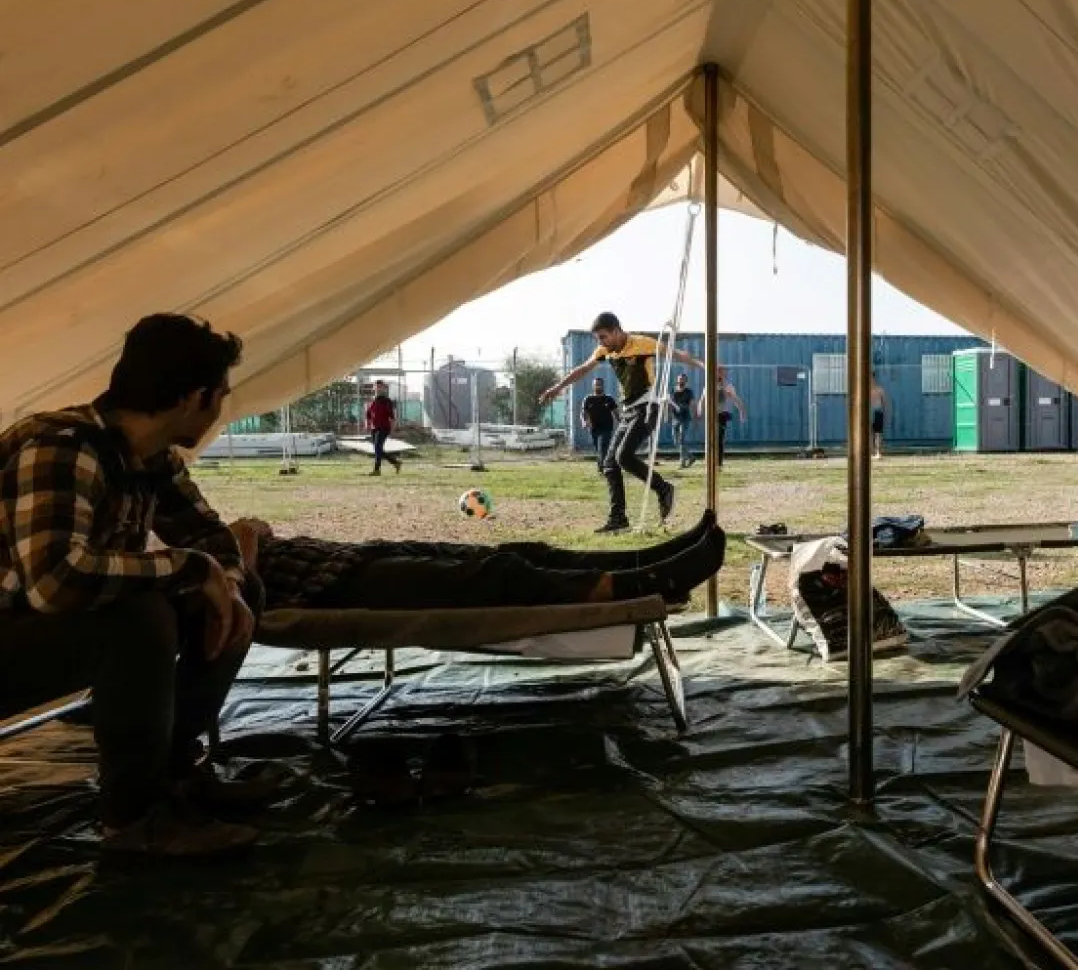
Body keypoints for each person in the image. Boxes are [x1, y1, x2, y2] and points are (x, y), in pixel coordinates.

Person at [0, 315, 273, 858]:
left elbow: (205, 533)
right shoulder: (60, 446)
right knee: (139, 616)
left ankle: (173, 777)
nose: (219, 407)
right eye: (220, 395)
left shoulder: (151, 458)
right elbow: (55, 581)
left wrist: (230, 583)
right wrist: (194, 569)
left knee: (236, 594)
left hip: (34, 627)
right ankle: (133, 821)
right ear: (196, 397)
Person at [230, 510, 725, 612]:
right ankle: (648, 584)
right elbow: (241, 550)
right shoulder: (169, 550)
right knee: (497, 575)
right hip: (333, 585)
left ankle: (649, 559)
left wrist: (247, 534)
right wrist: (244, 537)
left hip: (359, 556)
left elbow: (252, 528)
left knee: (518, 554)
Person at [540, 312, 704, 533]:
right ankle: (618, 519)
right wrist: (558, 387)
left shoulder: (642, 343)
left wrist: (704, 366)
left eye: (604, 337)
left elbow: (677, 354)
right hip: (628, 412)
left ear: (617, 331)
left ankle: (663, 488)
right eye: (598, 338)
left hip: (647, 408)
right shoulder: (605, 351)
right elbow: (583, 369)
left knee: (623, 457)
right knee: (610, 464)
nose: (601, 343)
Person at [697, 367, 748, 468]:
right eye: (717, 373)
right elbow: (702, 400)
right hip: (710, 415)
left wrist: (742, 411)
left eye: (721, 373)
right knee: (710, 439)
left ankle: (718, 464)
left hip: (721, 415)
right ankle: (710, 461)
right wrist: (700, 410)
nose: (719, 375)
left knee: (719, 439)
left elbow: (735, 400)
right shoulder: (708, 386)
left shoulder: (728, 386)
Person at [580, 378, 618, 474]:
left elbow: (616, 414)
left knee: (602, 448)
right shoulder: (588, 399)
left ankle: (604, 469)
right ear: (593, 386)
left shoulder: (609, 399)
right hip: (594, 429)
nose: (598, 386)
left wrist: (623, 423)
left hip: (607, 428)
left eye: (599, 384)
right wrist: (584, 422)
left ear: (603, 385)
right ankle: (603, 467)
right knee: (599, 449)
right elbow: (583, 413)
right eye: (596, 384)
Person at [366, 380, 401, 475]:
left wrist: (393, 430)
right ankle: (396, 463)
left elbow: (392, 417)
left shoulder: (387, 401)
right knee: (378, 449)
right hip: (374, 428)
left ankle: (377, 470)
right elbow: (368, 415)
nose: (378, 389)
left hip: (384, 427)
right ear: (374, 388)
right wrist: (367, 425)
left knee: (378, 448)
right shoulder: (371, 401)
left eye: (380, 387)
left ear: (383, 388)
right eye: (376, 387)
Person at [669, 374, 696, 469]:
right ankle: (691, 457)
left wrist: (694, 415)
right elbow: (669, 402)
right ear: (677, 380)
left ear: (686, 381)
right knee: (676, 441)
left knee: (681, 440)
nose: (681, 381)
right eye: (680, 379)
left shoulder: (689, 392)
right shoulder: (673, 390)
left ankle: (682, 462)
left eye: (683, 380)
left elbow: (692, 404)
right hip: (675, 418)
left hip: (685, 418)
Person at [870, 374, 889, 459]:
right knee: (870, 434)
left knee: (878, 433)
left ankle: (878, 452)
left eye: (872, 378)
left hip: (878, 412)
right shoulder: (864, 390)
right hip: (869, 413)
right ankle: (871, 452)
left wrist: (885, 414)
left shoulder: (880, 390)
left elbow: (884, 403)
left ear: (874, 378)